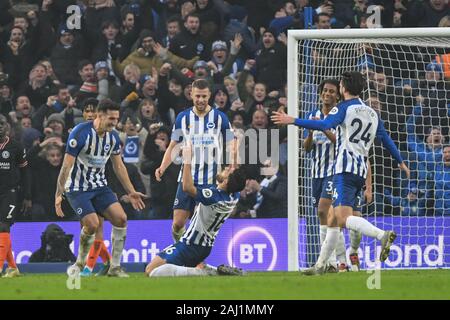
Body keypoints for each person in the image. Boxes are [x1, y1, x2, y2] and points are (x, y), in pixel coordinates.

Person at [271, 71, 410, 275]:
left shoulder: (343, 108)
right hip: (360, 171)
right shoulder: (372, 112)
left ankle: (382, 235)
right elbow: (386, 139)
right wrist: (401, 161)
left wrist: (293, 120)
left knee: (342, 219)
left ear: (343, 88)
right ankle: (321, 266)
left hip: (343, 170)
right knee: (334, 220)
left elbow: (325, 124)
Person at [55, 99, 146, 278]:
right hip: (77, 188)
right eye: (111, 119)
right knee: (92, 224)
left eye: (116, 119)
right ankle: (80, 263)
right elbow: (66, 167)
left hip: (100, 186)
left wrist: (131, 191)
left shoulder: (112, 137)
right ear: (100, 114)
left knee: (121, 219)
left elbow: (119, 166)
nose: (114, 123)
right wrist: (59, 193)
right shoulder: (80, 133)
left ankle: (115, 267)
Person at [145, 143, 246, 277]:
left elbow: (187, 187)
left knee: (151, 272)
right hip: (203, 247)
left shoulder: (213, 197)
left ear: (226, 181)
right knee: (153, 270)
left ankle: (203, 272)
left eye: (226, 171)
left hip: (191, 246)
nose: (225, 169)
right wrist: (233, 152)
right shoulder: (234, 195)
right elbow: (236, 174)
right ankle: (207, 269)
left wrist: (187, 160)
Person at [155, 78, 236, 243]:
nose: (201, 100)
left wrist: (232, 166)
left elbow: (231, 143)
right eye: (198, 96)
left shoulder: (220, 118)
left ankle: (195, 259)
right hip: (187, 178)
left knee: (202, 225)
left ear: (209, 96)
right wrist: (162, 167)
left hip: (210, 181)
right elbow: (172, 146)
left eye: (204, 96)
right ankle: (181, 250)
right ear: (191, 94)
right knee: (177, 223)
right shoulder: (182, 118)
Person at [0, 115, 31, 277]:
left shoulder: (16, 146)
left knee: (4, 226)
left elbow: (25, 172)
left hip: (10, 193)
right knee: (2, 230)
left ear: (7, 126)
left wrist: (27, 196)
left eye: (2, 124)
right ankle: (12, 268)